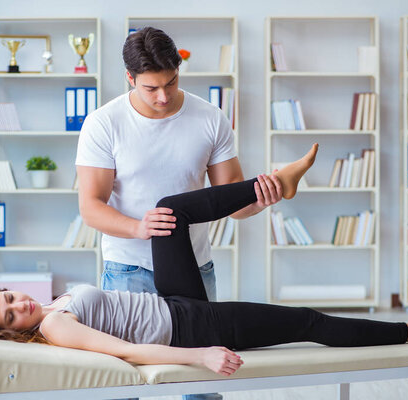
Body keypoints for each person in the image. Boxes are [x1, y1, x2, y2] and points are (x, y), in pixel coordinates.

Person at [0, 144, 408, 378]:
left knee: (167, 212)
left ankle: (276, 185)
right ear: (11, 333)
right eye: (11, 315)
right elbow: (127, 352)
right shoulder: (55, 326)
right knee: (306, 323)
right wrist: (201, 356)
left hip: (171, 303)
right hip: (187, 327)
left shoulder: (49, 308)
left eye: (7, 297)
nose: (18, 303)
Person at [75, 26, 282, 301]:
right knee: (130, 347)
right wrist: (139, 228)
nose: (163, 96)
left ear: (178, 69)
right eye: (151, 88)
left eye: (171, 82)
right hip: (128, 270)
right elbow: (91, 207)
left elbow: (231, 200)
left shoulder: (211, 118)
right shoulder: (103, 123)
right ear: (130, 78)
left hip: (195, 267)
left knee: (205, 345)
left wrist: (259, 200)